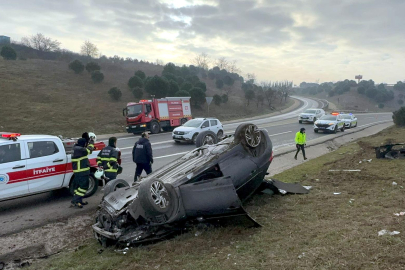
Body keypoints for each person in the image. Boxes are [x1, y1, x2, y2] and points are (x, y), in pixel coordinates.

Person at [71, 137, 94, 208]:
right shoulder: (80, 150)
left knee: (78, 188)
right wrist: (91, 144)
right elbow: (89, 151)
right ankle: (75, 200)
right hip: (82, 172)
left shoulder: (76, 148)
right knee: (84, 187)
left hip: (78, 172)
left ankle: (79, 201)